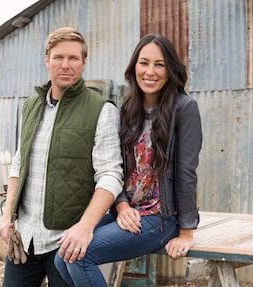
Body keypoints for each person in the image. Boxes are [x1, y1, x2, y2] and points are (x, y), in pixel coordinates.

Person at [54, 33, 203, 286]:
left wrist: (187, 232)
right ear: (134, 66)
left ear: (169, 71)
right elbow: (118, 168)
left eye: (159, 64)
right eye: (144, 62)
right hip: (129, 212)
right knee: (63, 256)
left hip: (161, 217)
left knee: (79, 257)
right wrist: (121, 205)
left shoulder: (184, 108)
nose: (150, 71)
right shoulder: (128, 110)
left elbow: (186, 172)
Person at [0, 27, 124, 287]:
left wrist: (85, 227)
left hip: (66, 242)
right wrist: (7, 215)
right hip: (24, 237)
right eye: (58, 57)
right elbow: (19, 164)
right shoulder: (31, 106)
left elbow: (111, 176)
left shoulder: (101, 110)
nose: (65, 65)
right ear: (47, 60)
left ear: (84, 63)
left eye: (73, 58)